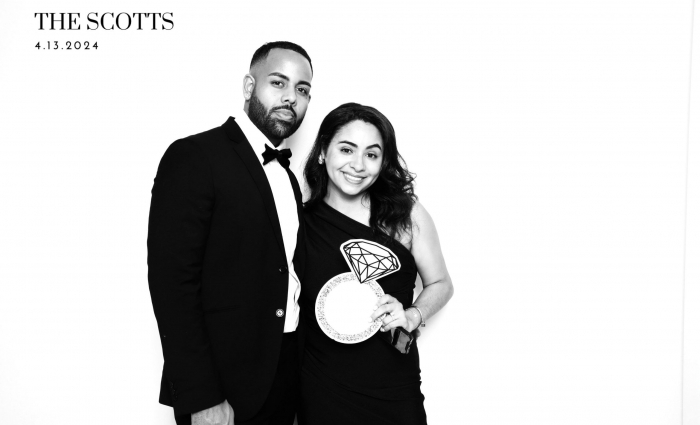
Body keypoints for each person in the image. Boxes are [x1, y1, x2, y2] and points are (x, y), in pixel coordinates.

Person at [147, 41, 313, 425]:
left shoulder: (288, 177)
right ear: (249, 87)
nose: (291, 97)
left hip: (285, 374)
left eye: (302, 89)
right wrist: (201, 396)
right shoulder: (195, 156)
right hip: (222, 386)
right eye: (278, 82)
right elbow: (172, 285)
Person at [298, 103, 454, 424]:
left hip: (393, 388)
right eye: (346, 149)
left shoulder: (407, 215)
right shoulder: (297, 221)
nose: (358, 165)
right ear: (323, 151)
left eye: (371, 154)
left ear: (383, 162)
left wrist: (412, 315)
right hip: (321, 387)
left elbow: (441, 284)